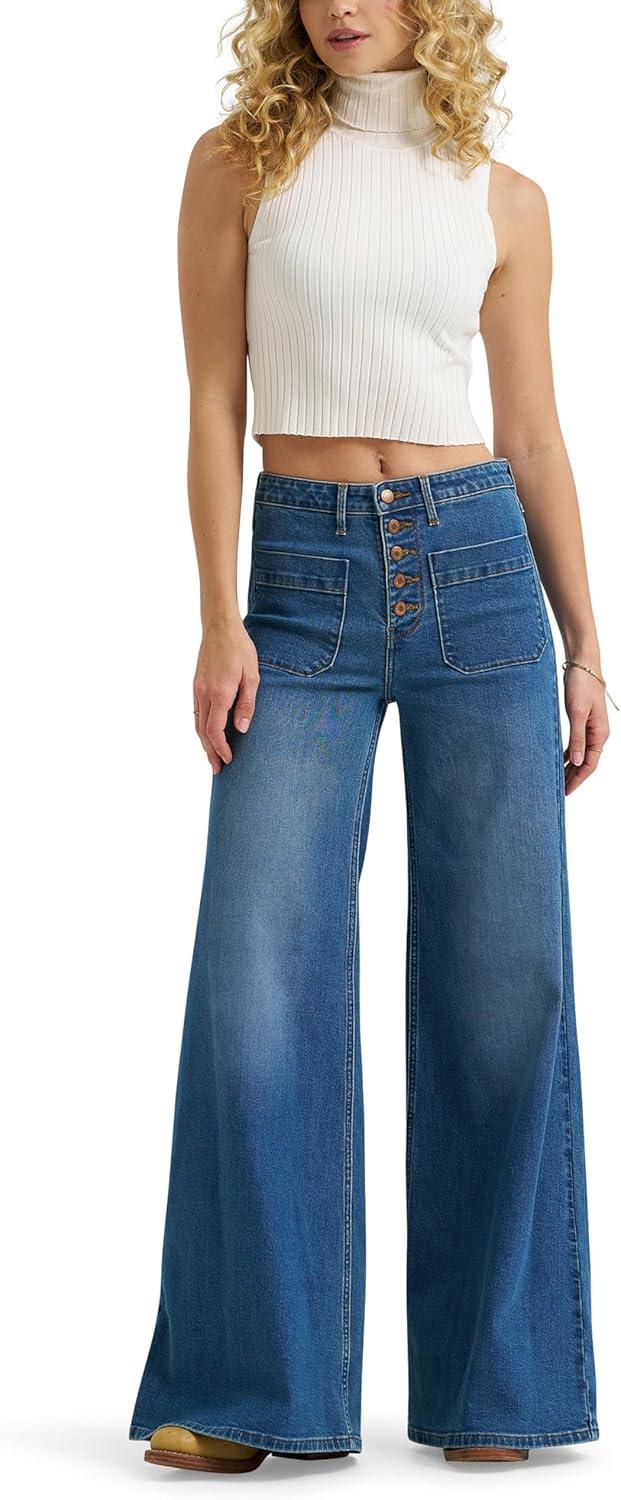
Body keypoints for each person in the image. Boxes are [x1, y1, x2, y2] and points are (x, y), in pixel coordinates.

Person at [128, 0, 612, 1472]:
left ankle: (499, 1388)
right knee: (258, 976)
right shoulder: (237, 164)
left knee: (506, 981)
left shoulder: (503, 195)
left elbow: (531, 431)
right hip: (297, 586)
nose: (338, 5)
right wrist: (218, 615)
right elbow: (213, 401)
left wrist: (585, 642)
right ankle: (249, 1386)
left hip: (478, 577)